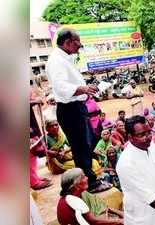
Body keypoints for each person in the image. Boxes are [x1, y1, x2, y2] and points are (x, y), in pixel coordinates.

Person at [46, 29, 108, 192]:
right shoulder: (56, 61)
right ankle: (91, 183)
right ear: (67, 42)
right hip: (70, 109)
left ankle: (88, 178)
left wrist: (85, 88)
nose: (80, 46)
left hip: (76, 108)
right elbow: (61, 87)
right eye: (77, 42)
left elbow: (68, 82)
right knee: (81, 147)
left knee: (85, 145)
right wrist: (83, 88)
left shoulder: (65, 58)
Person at [56, 168, 123, 225]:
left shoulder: (82, 193)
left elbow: (102, 208)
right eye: (83, 177)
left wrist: (114, 211)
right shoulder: (73, 201)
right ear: (76, 185)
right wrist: (120, 221)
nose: (87, 178)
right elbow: (94, 221)